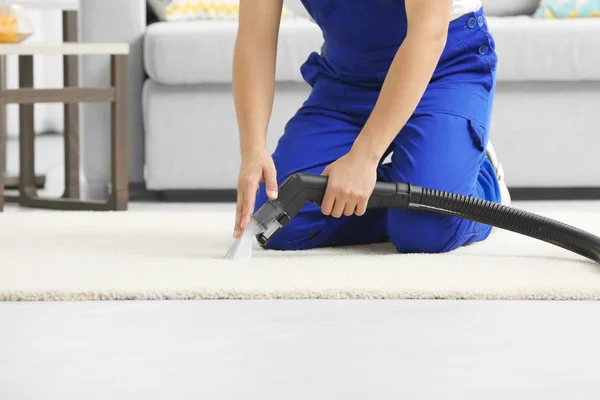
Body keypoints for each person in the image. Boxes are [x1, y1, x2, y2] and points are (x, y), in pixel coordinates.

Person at [231, 0, 511, 253]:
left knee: (427, 228)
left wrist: (364, 157)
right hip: (349, 76)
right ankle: (421, 179)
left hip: (441, 68)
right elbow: (254, 39)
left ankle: (483, 179)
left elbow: (428, 36)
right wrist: (253, 149)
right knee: (282, 216)